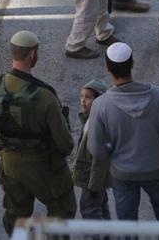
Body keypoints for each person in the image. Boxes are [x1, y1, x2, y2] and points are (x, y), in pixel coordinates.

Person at [0, 30, 76, 236]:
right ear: (32, 54)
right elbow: (65, 144)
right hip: (44, 167)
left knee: (16, 213)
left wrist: (6, 148)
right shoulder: (44, 96)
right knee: (61, 211)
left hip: (9, 164)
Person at [87, 43, 159, 221]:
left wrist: (112, 152)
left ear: (107, 67)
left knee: (127, 223)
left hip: (123, 173)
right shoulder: (158, 96)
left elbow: (96, 149)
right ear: (132, 63)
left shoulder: (101, 105)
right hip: (157, 169)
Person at [72, 79, 111, 220]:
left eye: (88, 97)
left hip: (93, 177)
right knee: (101, 205)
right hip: (94, 176)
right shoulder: (91, 119)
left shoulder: (97, 124)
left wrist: (94, 183)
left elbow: (100, 158)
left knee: (89, 210)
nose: (83, 101)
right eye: (82, 96)